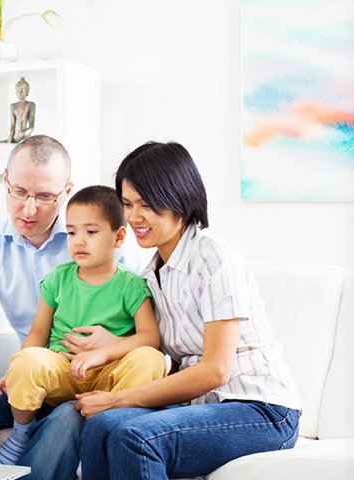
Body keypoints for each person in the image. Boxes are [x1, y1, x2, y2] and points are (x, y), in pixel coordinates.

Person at [76, 142, 303, 479]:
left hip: (262, 409)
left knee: (136, 439)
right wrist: (110, 346)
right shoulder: (150, 275)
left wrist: (120, 398)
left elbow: (215, 371)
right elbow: (156, 348)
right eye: (127, 204)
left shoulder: (214, 259)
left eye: (147, 204)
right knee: (100, 428)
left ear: (178, 200)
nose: (135, 217)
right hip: (205, 406)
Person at [0, 134, 95, 480]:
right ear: (5, 181)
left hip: (81, 382)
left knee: (67, 420)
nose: (29, 209)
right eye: (19, 192)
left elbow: (138, 312)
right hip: (28, 379)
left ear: (67, 190)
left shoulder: (93, 237)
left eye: (45, 197)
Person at [0, 186, 166, 465]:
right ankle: (21, 433)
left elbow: (150, 337)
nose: (79, 241)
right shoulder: (58, 279)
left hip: (110, 377)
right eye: (72, 232)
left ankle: (105, 418)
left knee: (151, 359)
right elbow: (38, 333)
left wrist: (102, 354)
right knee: (27, 360)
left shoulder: (132, 285)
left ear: (118, 237)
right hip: (63, 368)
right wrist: (17, 368)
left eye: (91, 232)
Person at [8, 77, 36, 143]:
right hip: (15, 137)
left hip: (25, 138)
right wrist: (9, 143)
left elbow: (32, 126)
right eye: (19, 90)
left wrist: (23, 133)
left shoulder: (31, 105)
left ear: (27, 91)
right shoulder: (13, 106)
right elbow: (12, 127)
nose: (20, 92)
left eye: (23, 90)